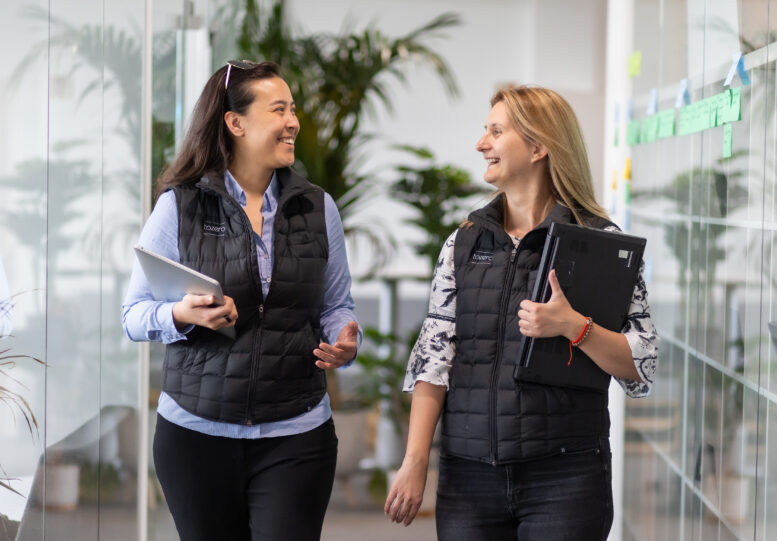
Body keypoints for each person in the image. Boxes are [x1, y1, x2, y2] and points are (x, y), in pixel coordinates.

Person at [384, 85, 658, 540]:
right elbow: (434, 358)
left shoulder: (601, 244)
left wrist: (575, 327)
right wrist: (415, 461)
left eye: (495, 131)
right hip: (469, 478)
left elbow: (641, 363)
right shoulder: (464, 243)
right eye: (484, 131)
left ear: (538, 146)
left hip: (566, 479)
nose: (481, 144)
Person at [122, 60, 361, 541]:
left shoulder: (318, 208)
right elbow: (133, 314)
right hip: (194, 435)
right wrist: (181, 315)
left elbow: (338, 304)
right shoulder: (180, 206)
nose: (293, 121)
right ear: (236, 122)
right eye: (279, 109)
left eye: (292, 109)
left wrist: (344, 336)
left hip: (296, 432)